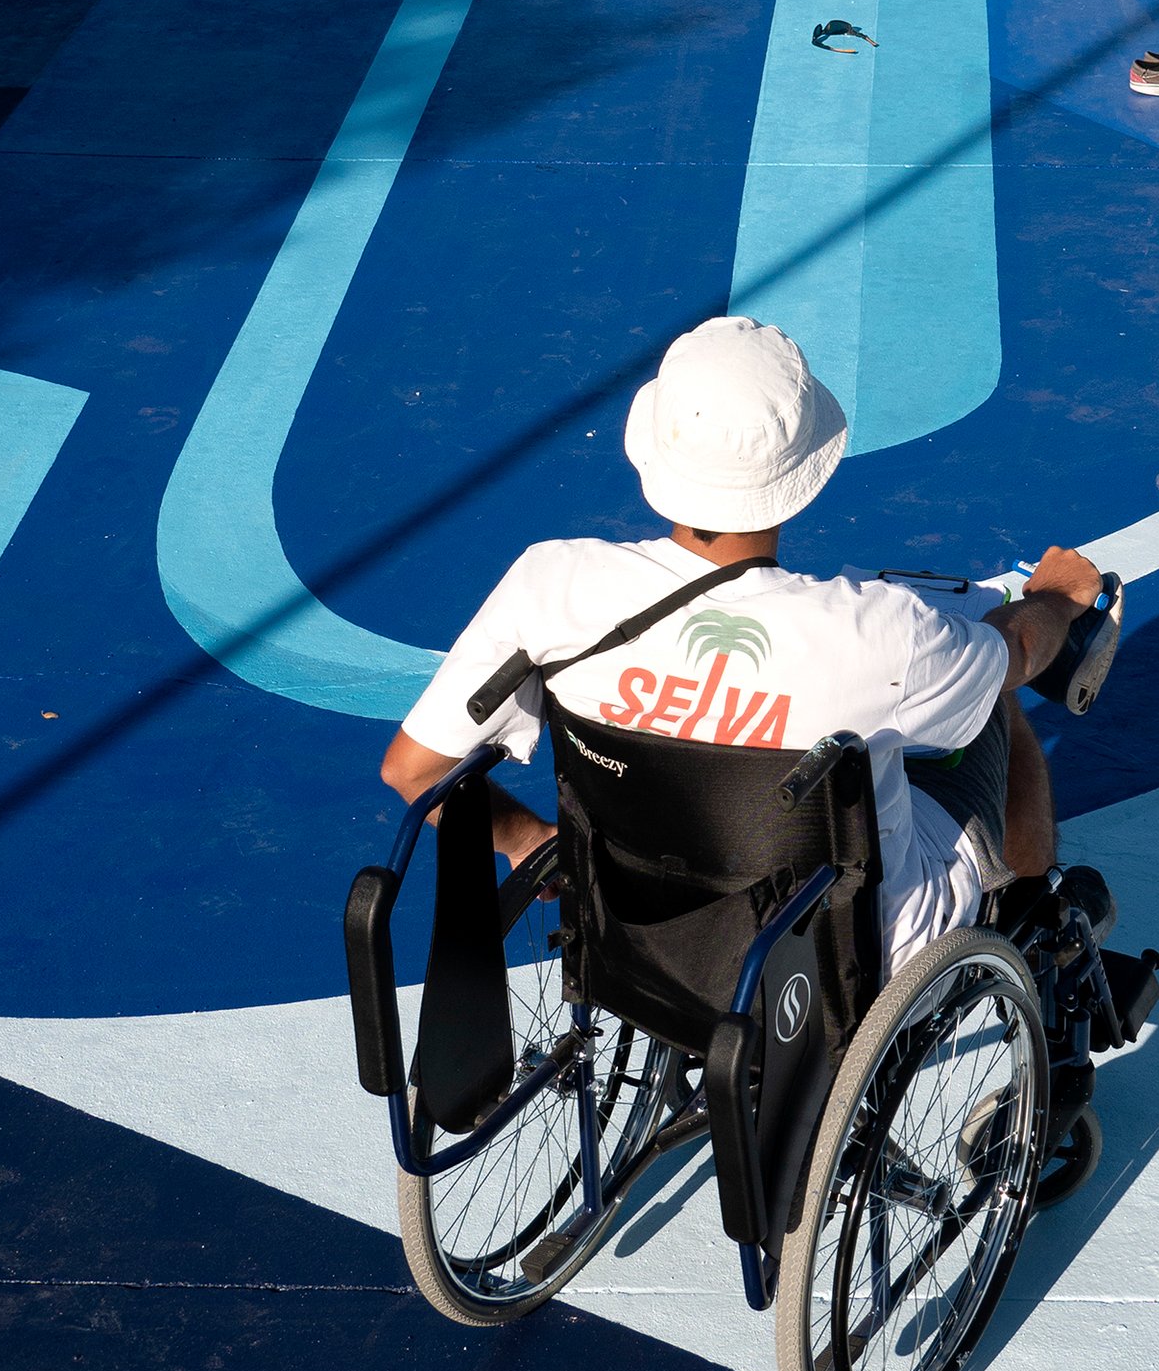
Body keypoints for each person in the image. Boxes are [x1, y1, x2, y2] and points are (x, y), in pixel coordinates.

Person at [381, 316, 1110, 975]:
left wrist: (528, 839)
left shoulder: (551, 584)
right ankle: (1026, 913)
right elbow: (1016, 649)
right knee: (990, 696)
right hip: (850, 951)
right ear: (801, 476)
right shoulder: (880, 632)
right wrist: (1054, 596)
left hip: (635, 929)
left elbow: (415, 769)